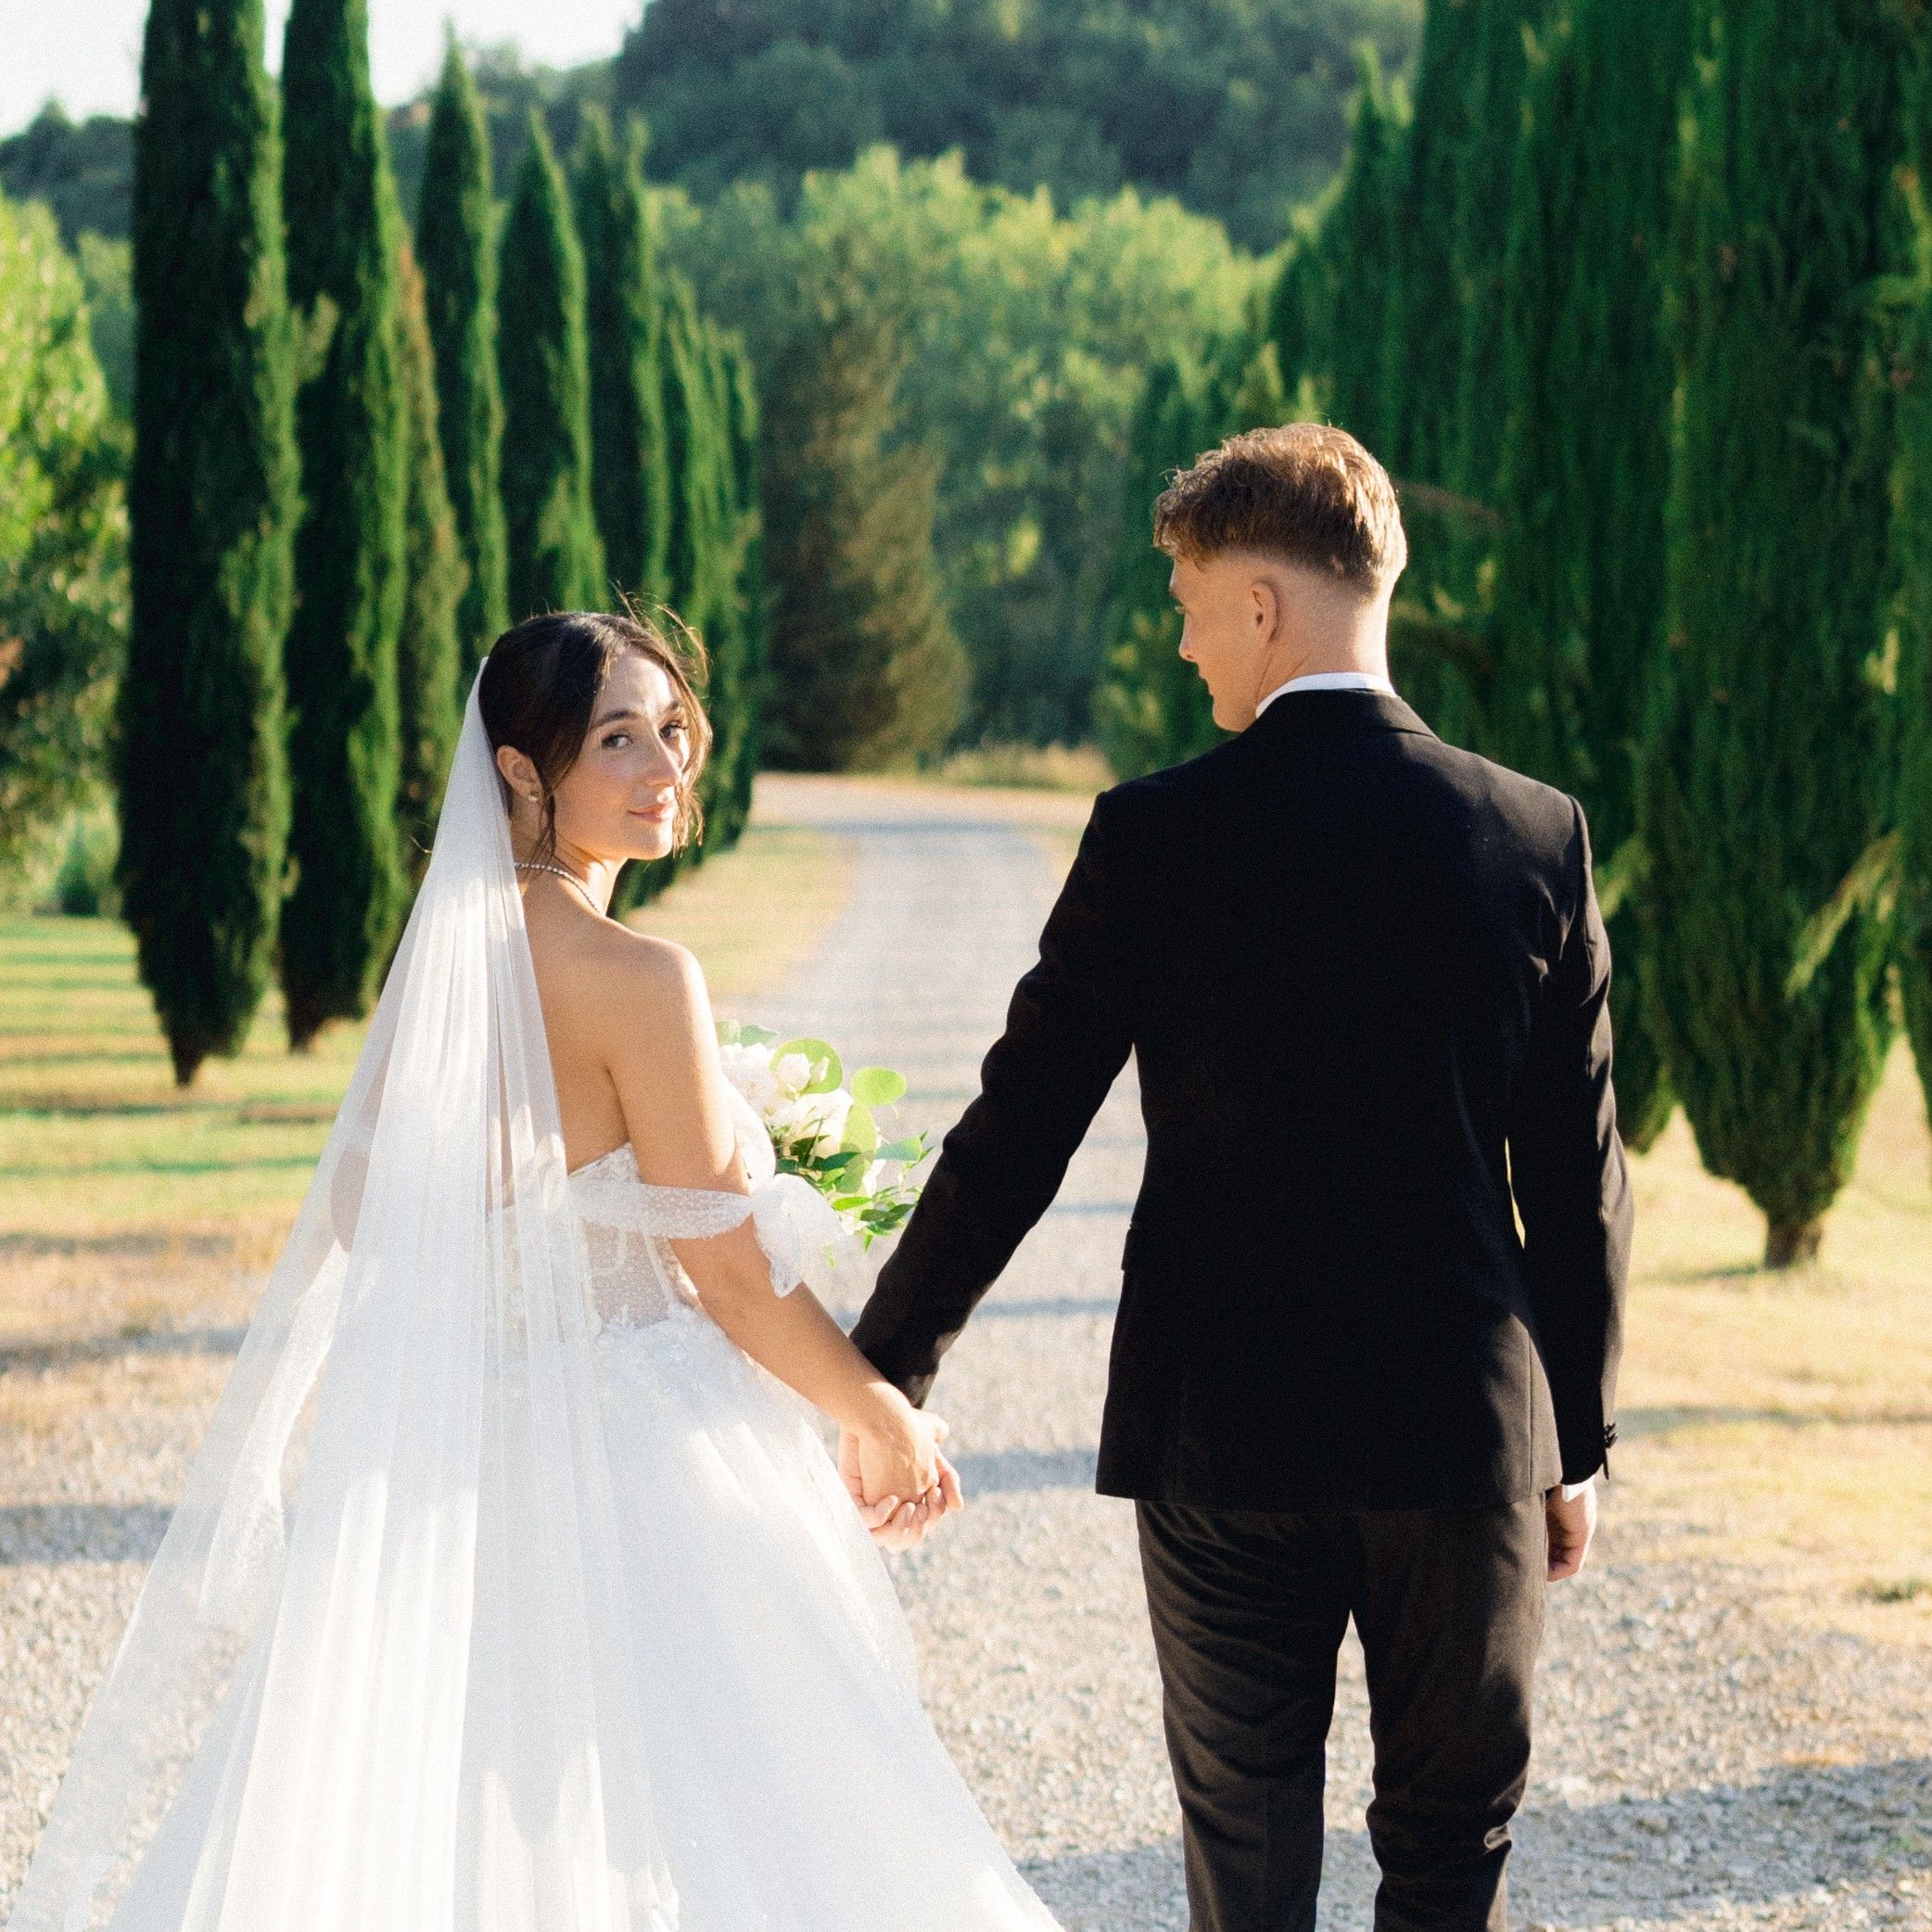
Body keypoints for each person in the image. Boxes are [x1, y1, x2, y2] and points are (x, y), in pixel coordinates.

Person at [6, 609, 1046, 1932]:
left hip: (460, 1462)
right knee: (746, 1824)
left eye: (675, 730)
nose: (666, 764)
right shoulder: (643, 978)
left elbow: (363, 1204)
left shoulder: (445, 968)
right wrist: (880, 1414)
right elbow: (727, 1282)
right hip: (639, 1455)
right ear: (519, 771)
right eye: (619, 737)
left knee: (462, 1838)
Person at [848, 423, 1633, 1932]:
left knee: (1248, 1856)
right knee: (1451, 1850)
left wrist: (888, 1373)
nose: (1187, 641)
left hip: (1222, 1435)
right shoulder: (1535, 838)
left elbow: (1014, 1137)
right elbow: (1581, 1182)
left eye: (1196, 602)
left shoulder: (1152, 837)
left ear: (1266, 604)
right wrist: (1575, 1439)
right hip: (1460, 1436)